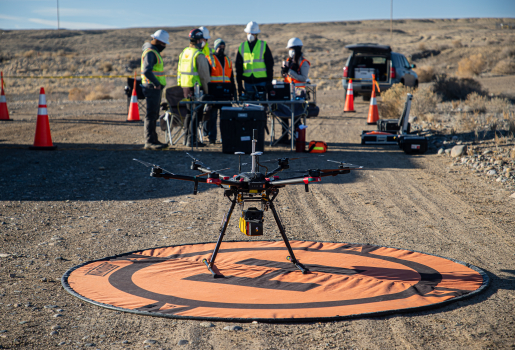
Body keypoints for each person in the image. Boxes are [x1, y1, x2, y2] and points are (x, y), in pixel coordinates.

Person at [177, 28, 211, 147]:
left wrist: (181, 85)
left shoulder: (184, 53)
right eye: (202, 39)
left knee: (188, 114)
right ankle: (192, 140)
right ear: (198, 40)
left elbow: (179, 72)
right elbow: (204, 76)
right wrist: (207, 91)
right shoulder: (199, 55)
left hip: (185, 88)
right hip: (196, 89)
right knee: (196, 115)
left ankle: (186, 139)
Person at [278, 37, 311, 144]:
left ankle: (297, 138)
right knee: (284, 114)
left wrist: (290, 71)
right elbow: (286, 76)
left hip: (299, 94)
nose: (290, 51)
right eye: (289, 48)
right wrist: (284, 72)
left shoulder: (304, 62)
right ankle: (284, 137)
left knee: (296, 117)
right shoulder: (288, 61)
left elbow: (303, 78)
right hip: (287, 93)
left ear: (297, 49)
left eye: (292, 48)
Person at [141, 29, 169, 150]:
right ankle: (149, 141)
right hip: (152, 87)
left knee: (154, 114)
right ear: (158, 41)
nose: (165, 46)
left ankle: (154, 139)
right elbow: (147, 71)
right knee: (151, 115)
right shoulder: (151, 52)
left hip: (154, 88)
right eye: (164, 44)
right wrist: (156, 83)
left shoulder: (153, 51)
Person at [206, 38, 235, 144]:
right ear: (215, 47)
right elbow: (206, 77)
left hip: (226, 94)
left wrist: (234, 93)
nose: (221, 49)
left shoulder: (228, 60)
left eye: (223, 47)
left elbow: (231, 78)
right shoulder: (209, 59)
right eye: (219, 47)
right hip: (213, 94)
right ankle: (212, 138)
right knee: (212, 118)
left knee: (226, 118)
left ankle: (225, 138)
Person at [235, 21, 274, 97]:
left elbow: (270, 64)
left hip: (262, 82)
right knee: (250, 107)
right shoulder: (242, 46)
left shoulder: (263, 45)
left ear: (256, 34)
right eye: (249, 33)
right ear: (246, 33)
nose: (250, 35)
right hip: (248, 83)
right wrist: (239, 84)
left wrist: (269, 81)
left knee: (263, 106)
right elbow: (238, 67)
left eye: (252, 33)